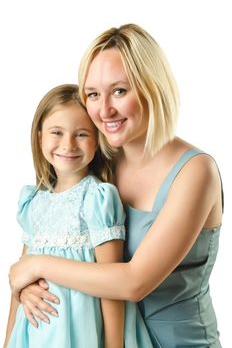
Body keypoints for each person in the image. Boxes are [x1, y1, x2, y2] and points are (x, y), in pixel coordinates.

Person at [8, 24, 223, 347]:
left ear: (152, 87)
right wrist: (28, 288)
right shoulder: (100, 161)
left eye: (119, 91)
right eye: (93, 94)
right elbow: (62, 241)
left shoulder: (196, 172)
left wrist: (35, 266)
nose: (104, 109)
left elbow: (134, 282)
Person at [4, 83, 153, 348]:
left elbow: (112, 284)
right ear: (40, 138)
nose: (68, 145)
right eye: (57, 133)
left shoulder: (98, 198)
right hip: (36, 334)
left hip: (85, 332)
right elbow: (21, 280)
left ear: (98, 139)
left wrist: (114, 345)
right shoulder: (33, 201)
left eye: (81, 134)